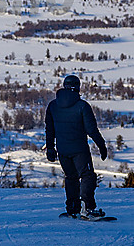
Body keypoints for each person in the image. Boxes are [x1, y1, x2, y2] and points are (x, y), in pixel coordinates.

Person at [45, 74, 108, 218]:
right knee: (87, 176)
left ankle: (73, 207)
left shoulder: (53, 105)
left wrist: (50, 148)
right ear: (78, 87)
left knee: (71, 177)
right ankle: (88, 208)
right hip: (79, 150)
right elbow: (91, 130)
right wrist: (102, 146)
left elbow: (50, 129)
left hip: (62, 150)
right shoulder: (82, 106)